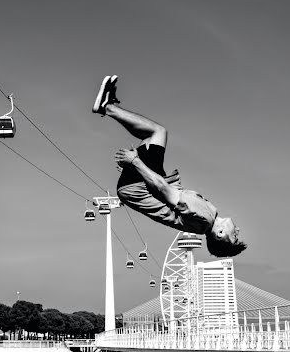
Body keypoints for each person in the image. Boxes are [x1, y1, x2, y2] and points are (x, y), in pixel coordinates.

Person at [93, 76, 246, 258]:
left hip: (140, 188)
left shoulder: (205, 217)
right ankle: (109, 106)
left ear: (220, 234)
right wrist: (135, 170)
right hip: (142, 185)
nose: (238, 230)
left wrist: (135, 162)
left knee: (157, 132)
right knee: (151, 136)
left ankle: (107, 107)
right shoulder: (203, 221)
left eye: (235, 237)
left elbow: (162, 188)